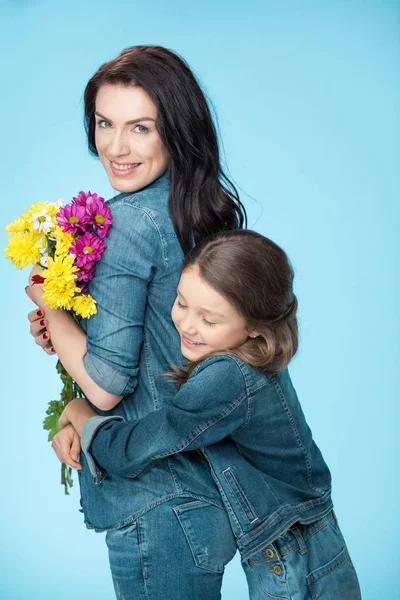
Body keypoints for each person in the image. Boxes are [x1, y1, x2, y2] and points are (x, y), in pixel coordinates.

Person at [27, 45, 247, 600]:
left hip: (155, 503)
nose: (116, 148)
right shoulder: (192, 208)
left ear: (175, 129)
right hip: (203, 494)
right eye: (104, 123)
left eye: (140, 127)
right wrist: (71, 328)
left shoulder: (124, 223)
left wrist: (46, 296)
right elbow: (166, 350)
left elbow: (104, 386)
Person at [57, 230, 362, 600]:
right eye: (182, 303)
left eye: (209, 319)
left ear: (254, 327)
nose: (186, 325)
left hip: (297, 560)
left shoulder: (228, 378)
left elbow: (130, 451)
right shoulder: (253, 358)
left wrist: (77, 411)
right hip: (311, 540)